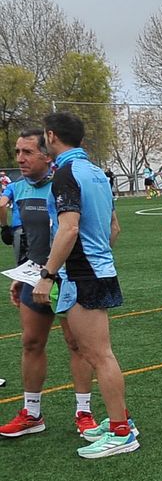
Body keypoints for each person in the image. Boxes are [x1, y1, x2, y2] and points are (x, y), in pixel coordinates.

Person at [35, 112, 140, 458]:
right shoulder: (95, 172)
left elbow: (68, 229)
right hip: (96, 269)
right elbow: (114, 228)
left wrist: (47, 274)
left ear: (51, 136)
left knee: (99, 354)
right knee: (94, 353)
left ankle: (122, 431)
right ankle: (119, 422)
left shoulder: (65, 174)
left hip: (82, 273)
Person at [1, 127, 98, 441]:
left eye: (27, 152)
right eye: (18, 152)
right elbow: (32, 241)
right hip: (35, 278)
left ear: (47, 154)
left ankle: (84, 412)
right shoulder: (19, 188)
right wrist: (23, 275)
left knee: (77, 345)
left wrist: (55, 274)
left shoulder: (63, 185)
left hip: (68, 279)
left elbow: (79, 232)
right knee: (30, 343)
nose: (20, 158)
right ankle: (31, 413)